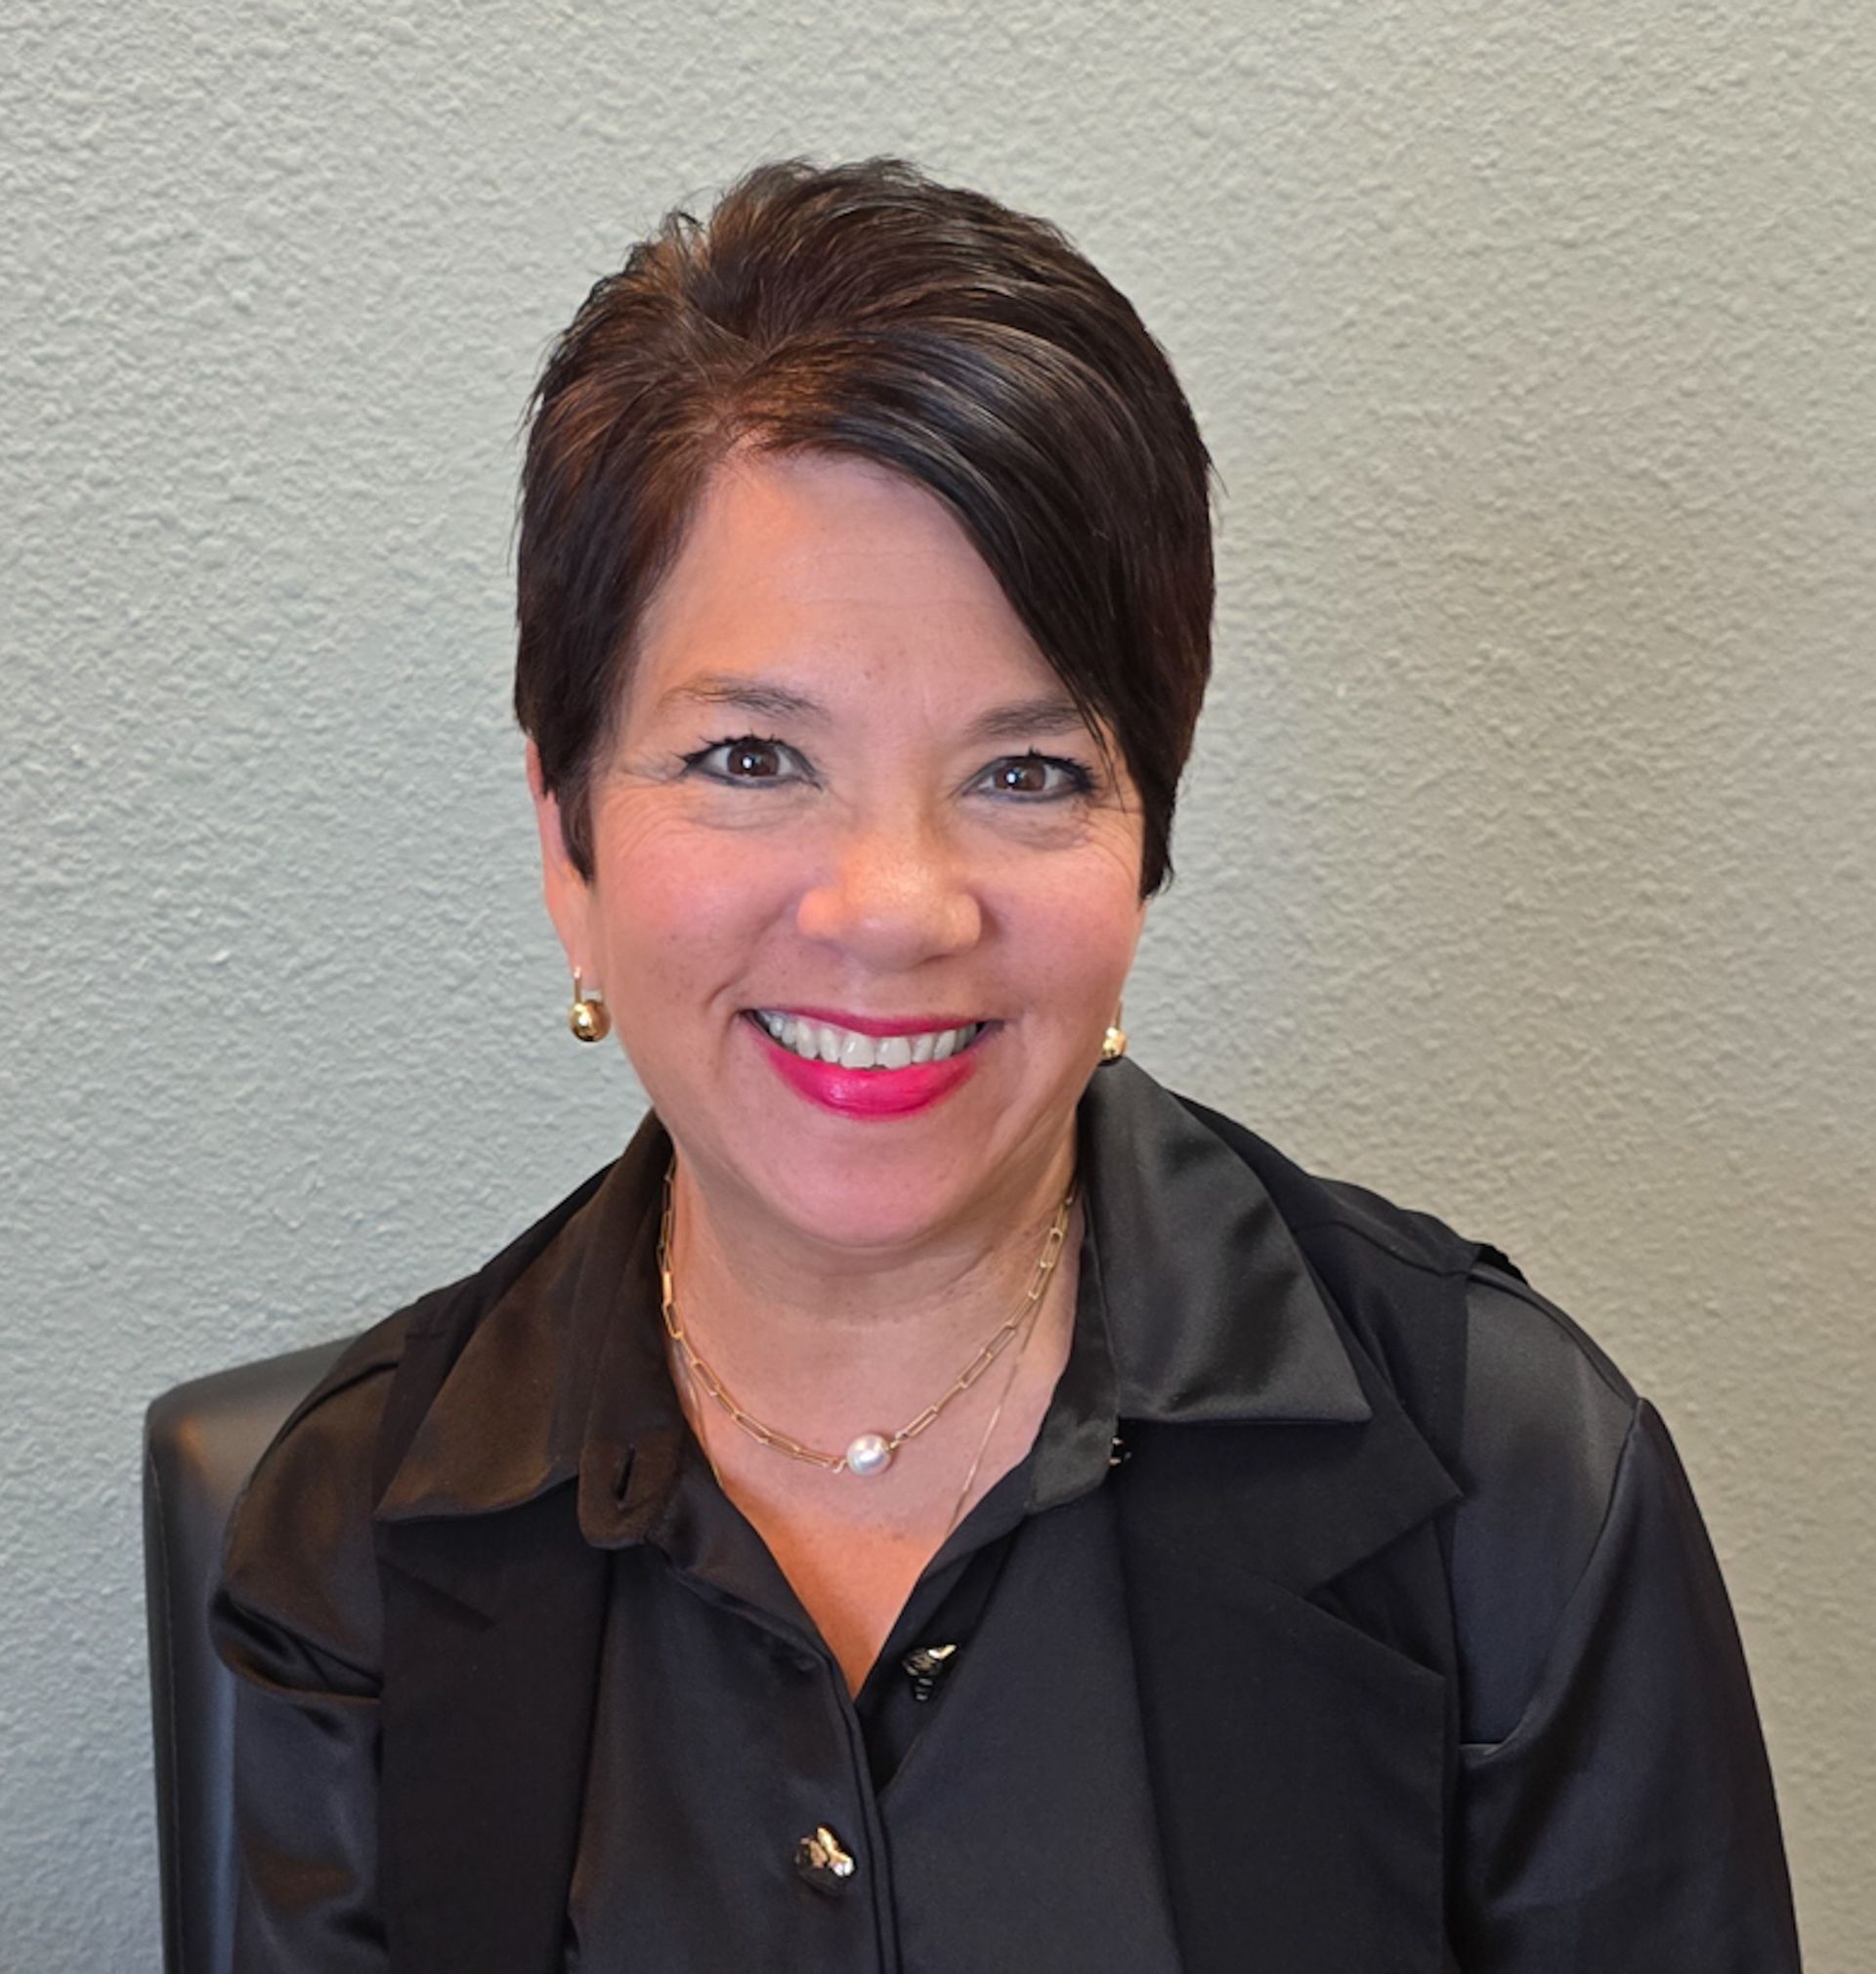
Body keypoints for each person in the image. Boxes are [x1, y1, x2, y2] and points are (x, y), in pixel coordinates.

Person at [212, 157, 1802, 1972]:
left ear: (1143, 842)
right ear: (567, 841)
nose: (894, 909)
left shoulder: (1509, 1479)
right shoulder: (364, 1537)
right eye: (750, 756)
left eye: (1028, 772)